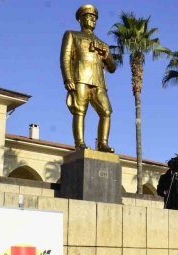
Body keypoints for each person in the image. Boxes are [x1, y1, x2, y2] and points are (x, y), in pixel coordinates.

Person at [60, 4, 117, 152]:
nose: (93, 20)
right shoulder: (72, 35)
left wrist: (107, 55)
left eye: (95, 18)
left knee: (106, 111)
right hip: (80, 77)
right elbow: (65, 58)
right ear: (81, 19)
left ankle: (102, 144)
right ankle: (80, 143)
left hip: (98, 81)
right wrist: (68, 79)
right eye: (90, 17)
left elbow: (112, 68)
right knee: (80, 110)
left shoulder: (102, 44)